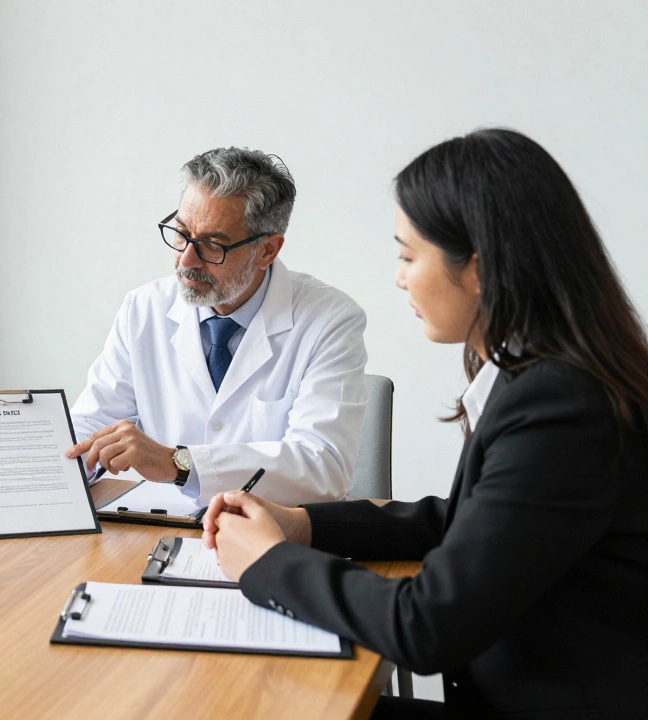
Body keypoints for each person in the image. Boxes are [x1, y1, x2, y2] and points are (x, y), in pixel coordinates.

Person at [203, 129, 648, 718]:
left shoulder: (561, 407)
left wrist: (268, 564)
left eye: (408, 256)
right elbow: (463, 522)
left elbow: (428, 625)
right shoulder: (542, 377)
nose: (400, 278)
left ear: (480, 269)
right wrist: (303, 525)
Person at [67, 147, 368, 506]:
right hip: (162, 525)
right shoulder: (143, 308)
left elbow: (323, 465)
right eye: (181, 234)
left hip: (275, 528)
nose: (187, 260)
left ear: (268, 250)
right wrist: (53, 470)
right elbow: (92, 426)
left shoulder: (330, 320)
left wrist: (178, 464)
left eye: (212, 245)